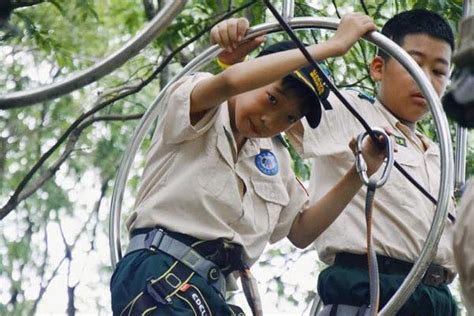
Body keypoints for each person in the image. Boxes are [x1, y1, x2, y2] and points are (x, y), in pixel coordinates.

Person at [110, 13, 384, 316]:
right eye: (272, 99)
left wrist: (361, 171)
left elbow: (302, 231)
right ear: (253, 75)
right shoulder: (201, 106)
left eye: (289, 118)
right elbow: (229, 81)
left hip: (211, 292)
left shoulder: (275, 159)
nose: (271, 120)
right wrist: (334, 46)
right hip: (160, 270)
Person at [212, 8, 457, 316]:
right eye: (414, 63)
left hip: (437, 300)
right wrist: (232, 62)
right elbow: (270, 99)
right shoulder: (351, 112)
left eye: (438, 71)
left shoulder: (439, 155)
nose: (424, 77)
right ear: (379, 68)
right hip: (367, 291)